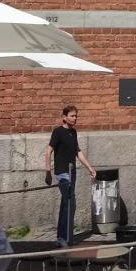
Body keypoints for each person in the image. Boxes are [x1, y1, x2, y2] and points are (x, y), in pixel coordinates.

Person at [44, 105, 96, 247]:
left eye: (76, 116)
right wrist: (48, 172)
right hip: (62, 173)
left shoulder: (73, 132)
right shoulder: (58, 132)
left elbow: (78, 152)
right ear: (64, 117)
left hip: (72, 172)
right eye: (72, 116)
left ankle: (64, 236)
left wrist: (90, 168)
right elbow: (48, 151)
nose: (75, 118)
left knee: (66, 203)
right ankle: (64, 238)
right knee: (69, 202)